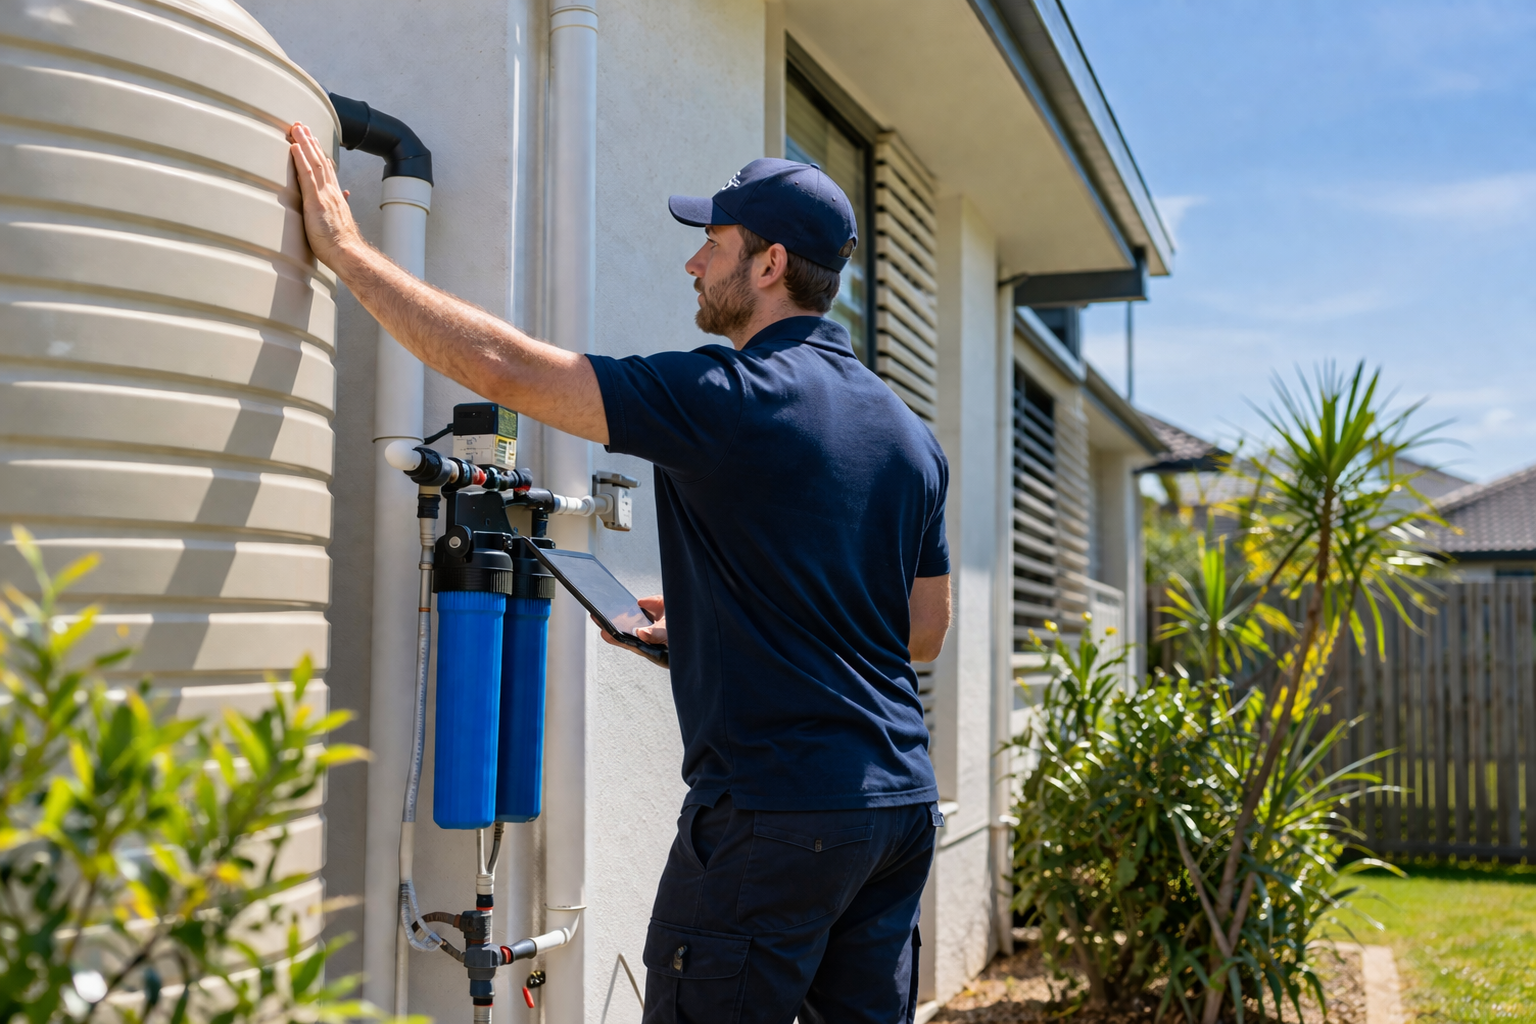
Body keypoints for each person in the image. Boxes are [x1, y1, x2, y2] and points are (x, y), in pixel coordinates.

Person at [288, 123, 952, 1023]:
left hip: (773, 812)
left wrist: (349, 251)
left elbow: (503, 368)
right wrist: (726, 625)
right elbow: (919, 630)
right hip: (896, 809)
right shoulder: (910, 437)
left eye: (711, 247)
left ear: (769, 266)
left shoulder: (730, 396)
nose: (693, 267)